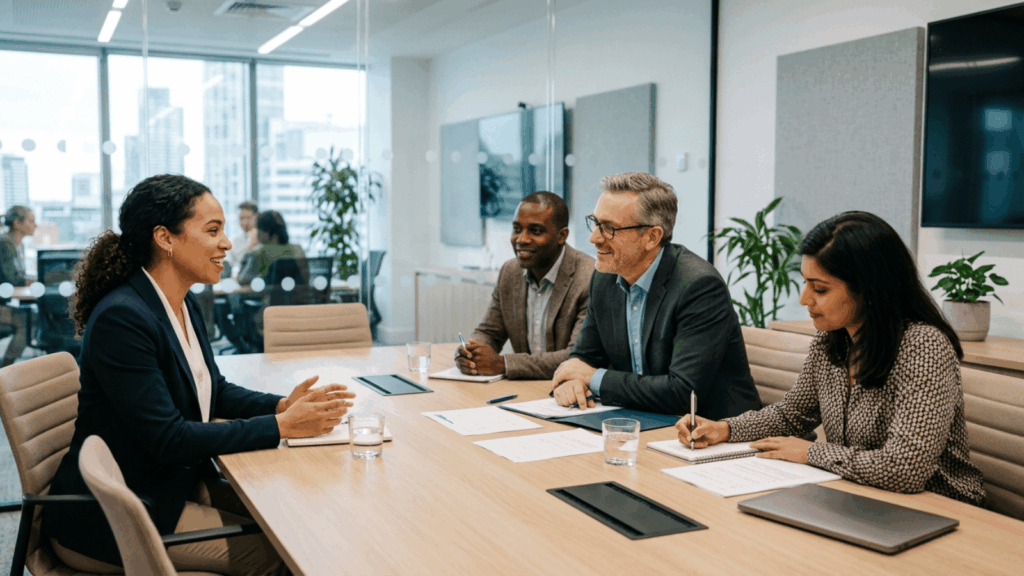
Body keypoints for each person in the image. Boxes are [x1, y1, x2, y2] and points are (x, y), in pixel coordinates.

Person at [43, 174, 354, 574]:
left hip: (168, 485)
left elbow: (213, 390)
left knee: (295, 515)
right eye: (213, 230)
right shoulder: (123, 317)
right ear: (165, 238)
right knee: (282, 552)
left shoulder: (181, 302)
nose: (227, 243)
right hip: (117, 516)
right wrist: (281, 426)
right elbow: (168, 439)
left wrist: (280, 404)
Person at [678, 211, 986, 506]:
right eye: (805, 282)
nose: (804, 299)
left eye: (820, 289)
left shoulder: (923, 346)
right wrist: (725, 429)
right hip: (861, 495)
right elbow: (792, 415)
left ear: (869, 289)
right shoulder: (832, 340)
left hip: (939, 506)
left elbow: (905, 468)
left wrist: (812, 453)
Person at [551, 172, 761, 417]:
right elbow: (583, 358)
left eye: (608, 228)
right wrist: (572, 382)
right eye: (595, 223)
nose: (594, 237)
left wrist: (592, 377)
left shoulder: (699, 287)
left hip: (716, 432)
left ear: (652, 237)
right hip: (643, 420)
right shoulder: (605, 277)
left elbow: (683, 393)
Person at [456, 192, 595, 380]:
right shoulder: (510, 272)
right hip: (524, 388)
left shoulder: (589, 277)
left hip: (570, 391)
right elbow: (490, 332)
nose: (521, 239)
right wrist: (471, 353)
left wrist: (503, 364)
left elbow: (575, 357)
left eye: (535, 231)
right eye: (517, 229)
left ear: (562, 236)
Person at [0, 206, 35, 367]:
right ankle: (5, 369)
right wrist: (35, 280)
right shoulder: (5, 244)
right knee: (26, 320)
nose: (35, 225)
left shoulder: (15, 244)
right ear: (17, 223)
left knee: (31, 317)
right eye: (31, 221)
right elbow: (13, 279)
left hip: (3, 303)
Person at [236, 210, 306, 286]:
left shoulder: (259, 252)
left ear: (267, 231)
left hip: (268, 297)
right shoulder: (297, 249)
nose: (257, 232)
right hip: (299, 297)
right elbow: (305, 280)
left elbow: (242, 279)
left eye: (258, 228)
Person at [224, 201, 259, 277]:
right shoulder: (236, 242)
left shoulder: (265, 239)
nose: (245, 222)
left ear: (257, 217)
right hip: (243, 280)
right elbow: (227, 264)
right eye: (241, 218)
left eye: (249, 218)